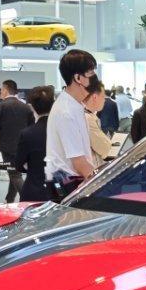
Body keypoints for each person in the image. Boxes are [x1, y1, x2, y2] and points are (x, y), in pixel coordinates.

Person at [47, 49, 100, 200]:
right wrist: (102, 184)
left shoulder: (74, 105)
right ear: (78, 78)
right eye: (91, 73)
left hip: (73, 183)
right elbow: (79, 162)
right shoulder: (66, 111)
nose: (95, 78)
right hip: (69, 186)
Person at [0, 79, 35, 203]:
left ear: (5, 90)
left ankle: (29, 200)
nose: (1, 92)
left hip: (7, 147)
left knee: (14, 174)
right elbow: (31, 126)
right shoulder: (26, 107)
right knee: (14, 171)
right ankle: (9, 199)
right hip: (23, 145)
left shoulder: (0, 106)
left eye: (1, 90)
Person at [14, 85, 55, 203]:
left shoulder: (27, 133)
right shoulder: (63, 130)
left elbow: (18, 165)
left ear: (32, 107)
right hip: (60, 190)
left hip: (34, 189)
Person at [83, 80, 115, 170]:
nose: (104, 100)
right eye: (103, 97)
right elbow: (105, 149)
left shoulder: (87, 115)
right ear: (95, 97)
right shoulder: (87, 118)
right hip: (89, 170)